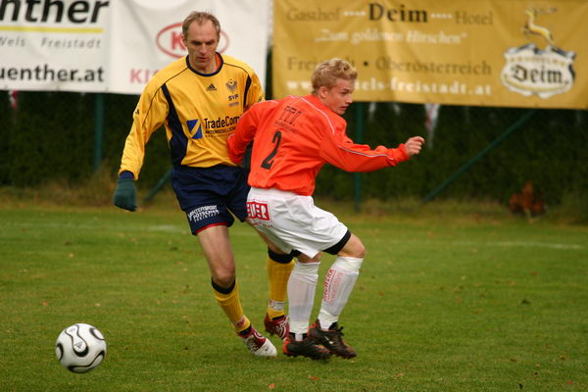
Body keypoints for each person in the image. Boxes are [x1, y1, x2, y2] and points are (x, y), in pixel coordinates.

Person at [112, 11, 294, 357]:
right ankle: (245, 329)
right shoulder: (165, 84)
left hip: (241, 176)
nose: (203, 50)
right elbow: (138, 133)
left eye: (210, 42)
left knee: (283, 241)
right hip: (196, 183)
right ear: (183, 42)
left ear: (219, 39)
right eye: (196, 43)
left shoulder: (242, 75)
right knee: (224, 272)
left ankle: (276, 313)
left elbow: (263, 123)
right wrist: (126, 176)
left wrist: (273, 165)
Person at [228, 58, 425, 360]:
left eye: (350, 92)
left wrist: (236, 150)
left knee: (308, 258)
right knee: (354, 251)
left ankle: (296, 338)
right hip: (286, 202)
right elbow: (349, 157)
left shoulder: (280, 105)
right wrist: (398, 153)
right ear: (323, 91)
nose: (349, 99)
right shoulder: (325, 119)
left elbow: (251, 118)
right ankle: (326, 327)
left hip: (255, 201)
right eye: (343, 92)